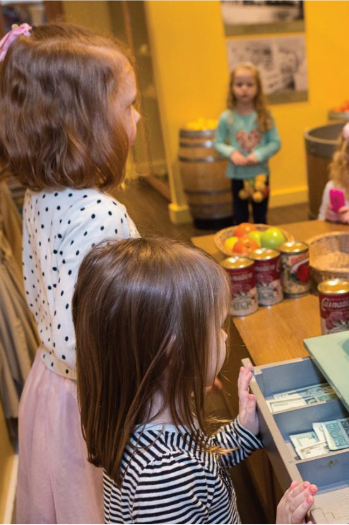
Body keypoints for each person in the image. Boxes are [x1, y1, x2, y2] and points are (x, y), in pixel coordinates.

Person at [0, 22, 141, 522]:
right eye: (128, 105)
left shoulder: (41, 195)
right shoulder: (99, 214)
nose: (138, 116)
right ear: (83, 128)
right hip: (92, 402)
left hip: (50, 390)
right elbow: (91, 339)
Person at [73, 238, 317, 523]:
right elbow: (190, 474)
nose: (224, 335)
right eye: (216, 326)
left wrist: (242, 430)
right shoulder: (163, 475)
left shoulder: (151, 422)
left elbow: (202, 466)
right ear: (174, 351)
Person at [214, 62, 281, 225]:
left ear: (257, 87)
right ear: (232, 88)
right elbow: (218, 143)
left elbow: (275, 142)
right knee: (240, 217)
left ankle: (262, 250)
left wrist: (258, 155)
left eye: (250, 84)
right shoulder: (226, 117)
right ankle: (243, 248)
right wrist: (232, 152)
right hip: (237, 176)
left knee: (260, 217)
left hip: (260, 175)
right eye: (239, 84)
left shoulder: (264, 115)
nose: (244, 88)